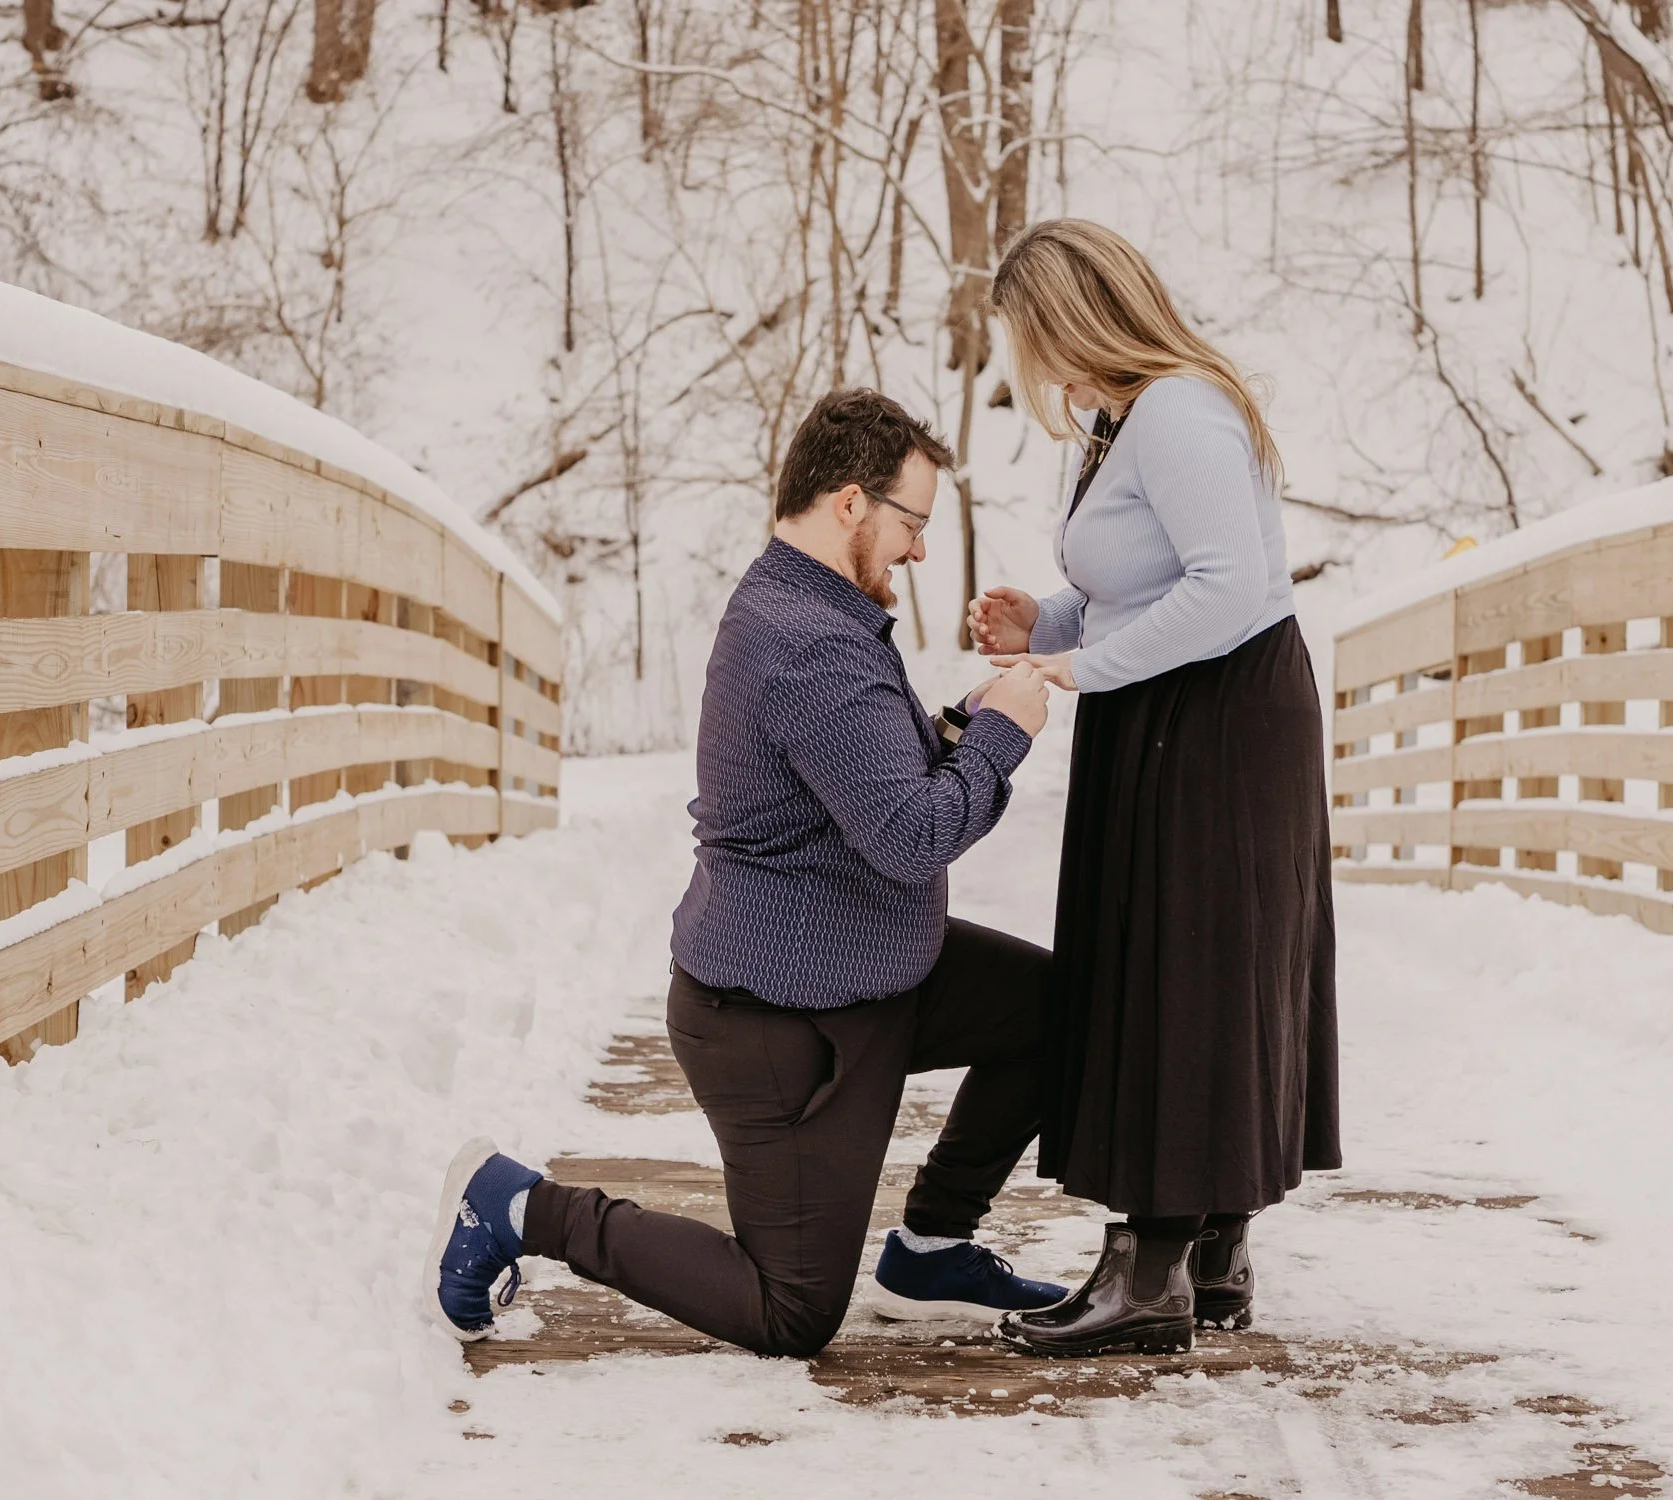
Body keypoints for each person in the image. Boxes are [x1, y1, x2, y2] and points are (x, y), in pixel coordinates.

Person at [427, 388, 1069, 1358]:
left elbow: (857, 782)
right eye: (913, 522)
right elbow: (908, 836)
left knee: (1057, 1009)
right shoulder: (808, 642)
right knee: (789, 1314)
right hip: (784, 1028)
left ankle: (933, 1245)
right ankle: (522, 1208)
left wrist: (954, 729)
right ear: (850, 504)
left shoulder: (814, 611)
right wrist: (1003, 741)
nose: (922, 550)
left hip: (876, 971)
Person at [968, 219, 1341, 1358]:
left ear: (1082, 318)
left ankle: (1150, 1275)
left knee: (1182, 973)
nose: (1037, 370)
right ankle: (1210, 1255)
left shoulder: (1177, 411)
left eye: (1039, 340)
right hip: (1175, 706)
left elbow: (1230, 589)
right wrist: (1049, 620)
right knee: (1191, 968)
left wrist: (1074, 669)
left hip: (1215, 718)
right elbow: (1151, 584)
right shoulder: (1123, 416)